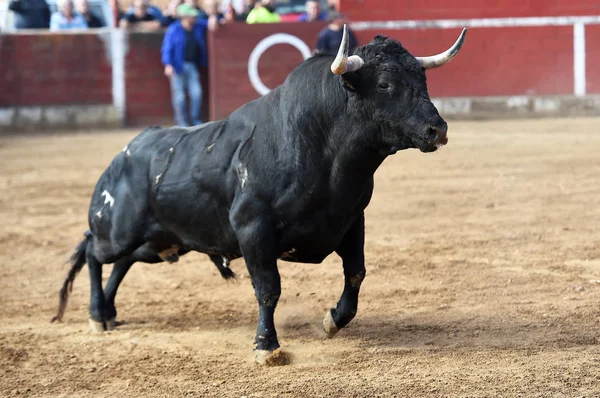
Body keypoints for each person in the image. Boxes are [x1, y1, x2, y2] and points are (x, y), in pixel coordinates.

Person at [161, 3, 217, 126]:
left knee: (196, 94)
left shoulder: (197, 26)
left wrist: (213, 20)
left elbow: (209, 22)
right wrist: (168, 64)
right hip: (177, 66)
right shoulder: (174, 29)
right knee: (179, 97)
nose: (194, 18)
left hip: (192, 65)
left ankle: (195, 119)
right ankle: (182, 122)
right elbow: (167, 49)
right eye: (191, 16)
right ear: (185, 17)